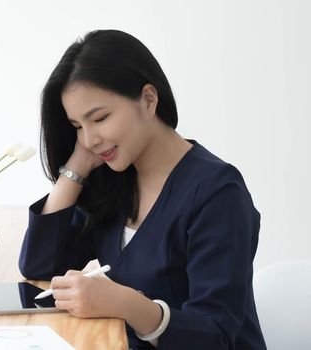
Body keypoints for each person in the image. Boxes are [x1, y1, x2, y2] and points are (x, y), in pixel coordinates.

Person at [18, 29, 266, 349]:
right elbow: (41, 267)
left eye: (100, 118)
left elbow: (215, 334)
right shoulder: (116, 180)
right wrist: (76, 167)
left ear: (148, 100)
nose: (90, 138)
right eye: (78, 126)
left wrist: (125, 303)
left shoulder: (218, 194)